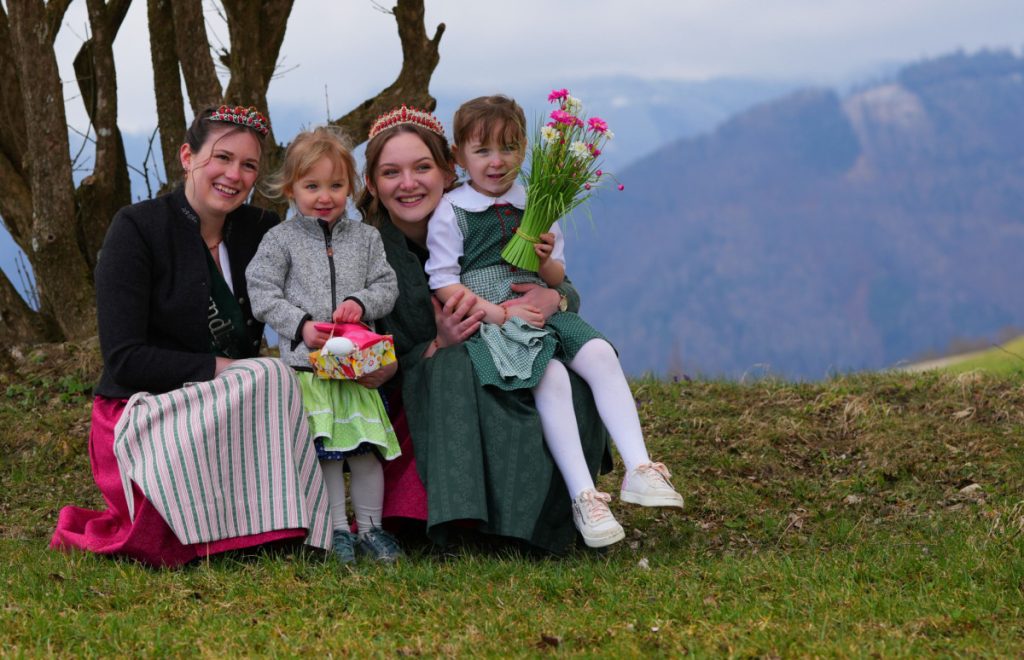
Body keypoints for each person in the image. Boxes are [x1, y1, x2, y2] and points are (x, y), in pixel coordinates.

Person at [50, 105, 332, 567]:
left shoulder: (262, 230)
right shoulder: (137, 228)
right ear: (187, 156)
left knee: (277, 376)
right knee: (266, 375)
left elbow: (300, 315)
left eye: (248, 165)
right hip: (142, 407)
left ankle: (291, 529)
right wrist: (224, 368)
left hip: (232, 399)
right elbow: (124, 359)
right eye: (221, 158)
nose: (233, 174)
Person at [424, 95, 683, 548]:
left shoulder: (537, 201)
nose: (497, 161)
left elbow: (558, 273)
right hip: (494, 318)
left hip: (542, 305)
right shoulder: (452, 210)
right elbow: (443, 279)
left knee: (600, 352)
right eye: (482, 151)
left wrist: (545, 265)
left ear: (524, 149)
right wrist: (491, 311)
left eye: (508, 148)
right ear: (459, 157)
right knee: (552, 375)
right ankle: (585, 495)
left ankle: (640, 467)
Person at [359, 105, 612, 554]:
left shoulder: (483, 217)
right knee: (461, 368)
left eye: (422, 167)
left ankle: (567, 510)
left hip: (511, 343)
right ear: (373, 184)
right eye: (391, 172)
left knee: (564, 371)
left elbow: (551, 279)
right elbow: (370, 353)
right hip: (416, 386)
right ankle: (477, 522)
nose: (409, 183)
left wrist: (556, 299)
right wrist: (438, 343)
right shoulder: (367, 251)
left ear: (447, 169)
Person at [246, 126, 403, 564]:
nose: (324, 196)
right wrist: (299, 325)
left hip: (358, 367)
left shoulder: (366, 239)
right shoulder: (281, 240)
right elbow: (261, 291)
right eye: (311, 186)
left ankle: (372, 529)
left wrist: (359, 301)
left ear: (350, 187)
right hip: (309, 370)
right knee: (329, 456)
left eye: (335, 185)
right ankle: (338, 532)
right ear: (291, 188)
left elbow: (386, 286)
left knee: (367, 452)